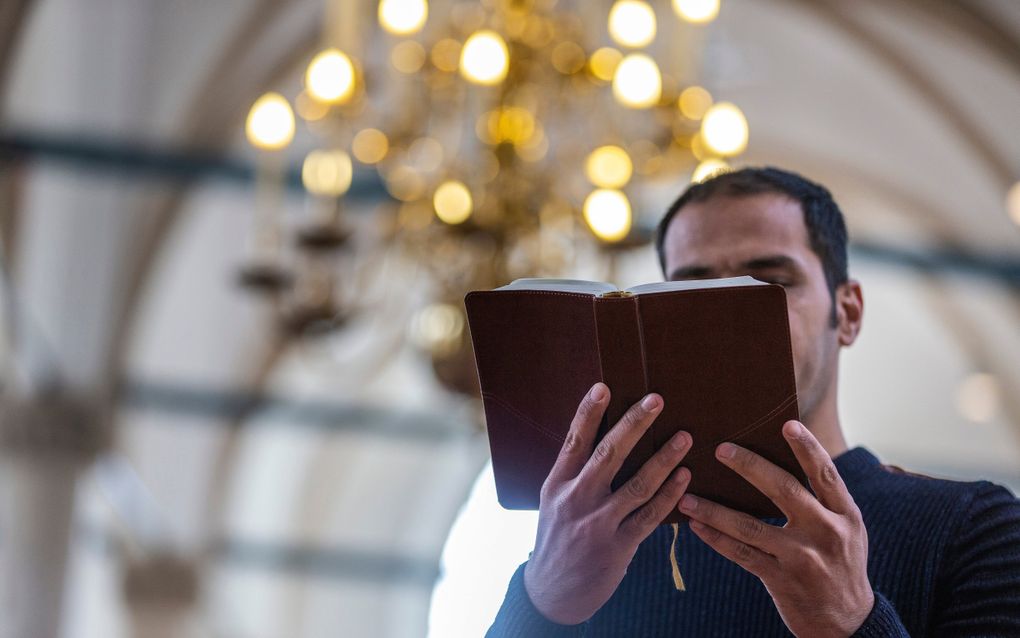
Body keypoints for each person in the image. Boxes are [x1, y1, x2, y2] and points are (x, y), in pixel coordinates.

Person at [486, 167, 1020, 637]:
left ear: (849, 311)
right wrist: (541, 603)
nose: (723, 318)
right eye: (691, 289)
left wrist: (852, 623)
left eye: (770, 281)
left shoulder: (973, 528)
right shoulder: (596, 545)